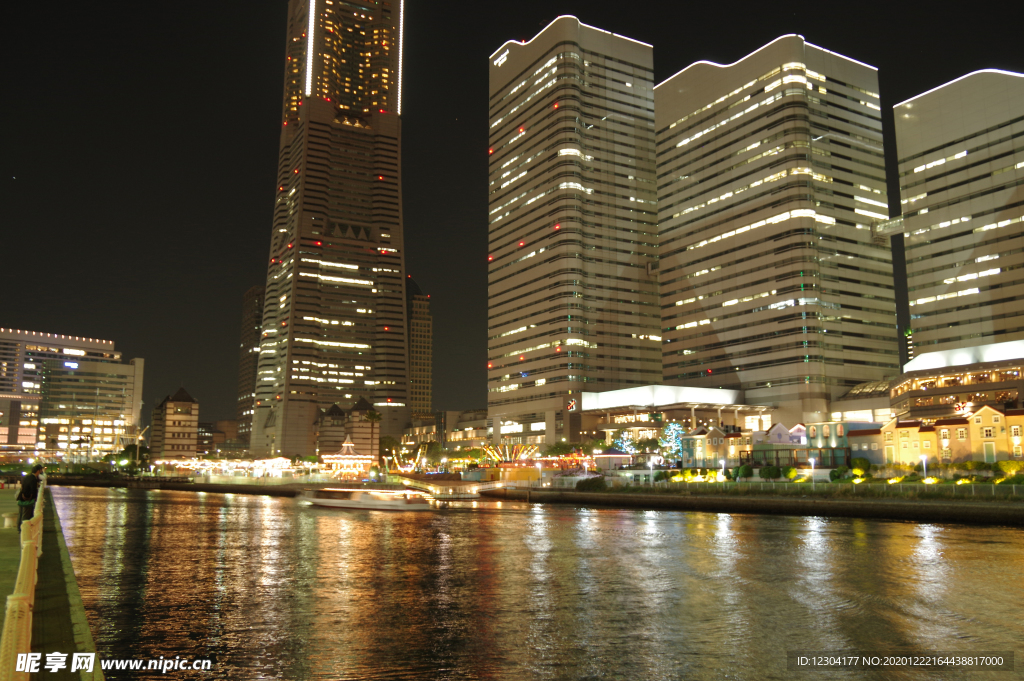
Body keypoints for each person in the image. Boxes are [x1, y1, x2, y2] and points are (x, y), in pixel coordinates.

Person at [16, 464, 43, 532]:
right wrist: (34, 498)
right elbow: (33, 490)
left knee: (20, 514)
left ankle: (19, 528)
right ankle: (24, 530)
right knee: (26, 515)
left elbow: (23, 487)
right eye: (40, 470)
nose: (41, 471)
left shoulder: (27, 476)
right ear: (38, 471)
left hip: (21, 497)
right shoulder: (33, 479)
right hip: (28, 499)